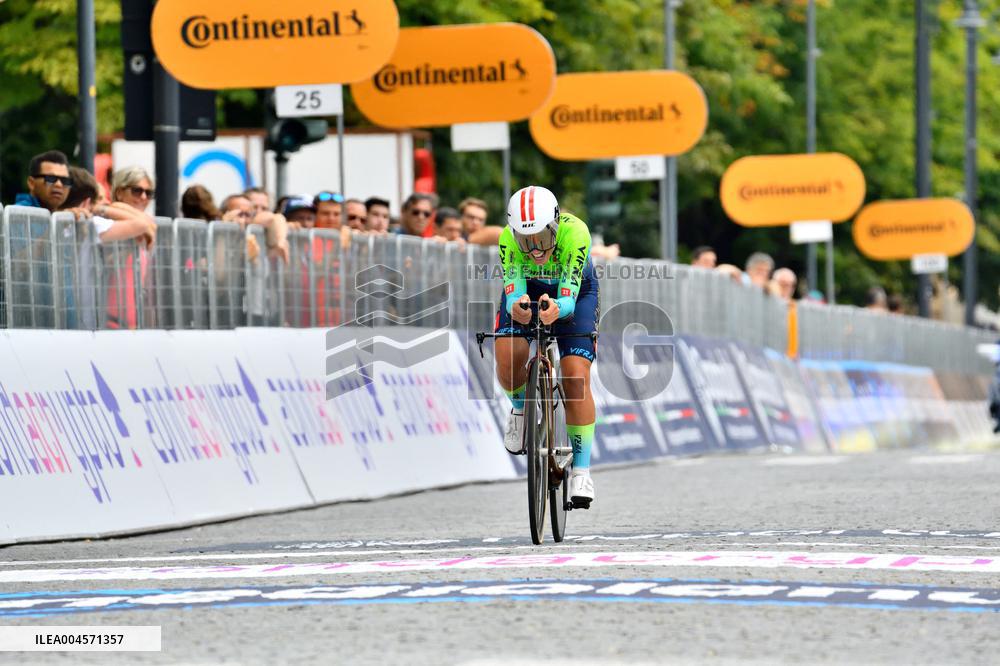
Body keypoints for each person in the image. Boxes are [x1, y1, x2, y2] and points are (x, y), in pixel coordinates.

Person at [495, 185, 599, 506]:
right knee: (507, 355)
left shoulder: (576, 233)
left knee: (574, 377)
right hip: (530, 289)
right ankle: (520, 406)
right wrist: (517, 306)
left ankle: (581, 472)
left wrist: (558, 309)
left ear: (555, 225)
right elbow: (513, 295)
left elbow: (566, 300)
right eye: (526, 241)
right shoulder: (507, 240)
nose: (535, 249)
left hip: (575, 293)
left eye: (541, 238)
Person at [60, 166, 155, 246]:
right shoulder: (96, 222)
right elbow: (144, 224)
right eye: (137, 191)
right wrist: (107, 208)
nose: (143, 197)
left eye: (149, 193)